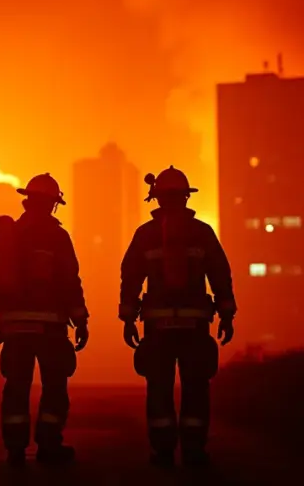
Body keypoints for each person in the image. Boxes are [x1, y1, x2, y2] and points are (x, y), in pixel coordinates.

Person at [118, 166, 237, 468]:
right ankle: (194, 450)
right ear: (186, 196)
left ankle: (163, 451)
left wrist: (128, 318)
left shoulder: (145, 235)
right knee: (196, 388)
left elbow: (130, 277)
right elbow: (220, 274)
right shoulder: (203, 233)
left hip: (157, 327)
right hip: (195, 327)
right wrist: (226, 314)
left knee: (159, 388)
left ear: (156, 197)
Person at [0, 172, 89, 466]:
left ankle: (15, 450)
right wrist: (81, 320)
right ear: (53, 204)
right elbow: (70, 281)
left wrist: (2, 322)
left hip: (16, 330)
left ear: (27, 200)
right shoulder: (57, 237)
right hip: (51, 329)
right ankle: (49, 446)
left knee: (16, 388)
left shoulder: (10, 235)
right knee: (54, 388)